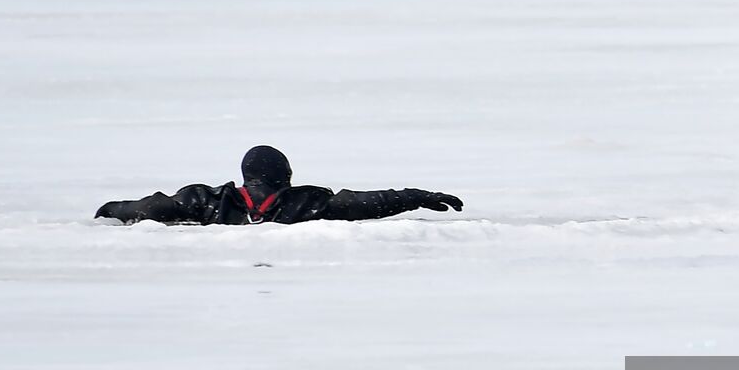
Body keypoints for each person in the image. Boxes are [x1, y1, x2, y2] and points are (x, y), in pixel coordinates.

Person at [95, 145, 463, 225]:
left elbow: (152, 208)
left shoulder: (203, 201)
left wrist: (112, 210)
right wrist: (418, 197)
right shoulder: (310, 203)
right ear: (286, 174)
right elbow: (369, 202)